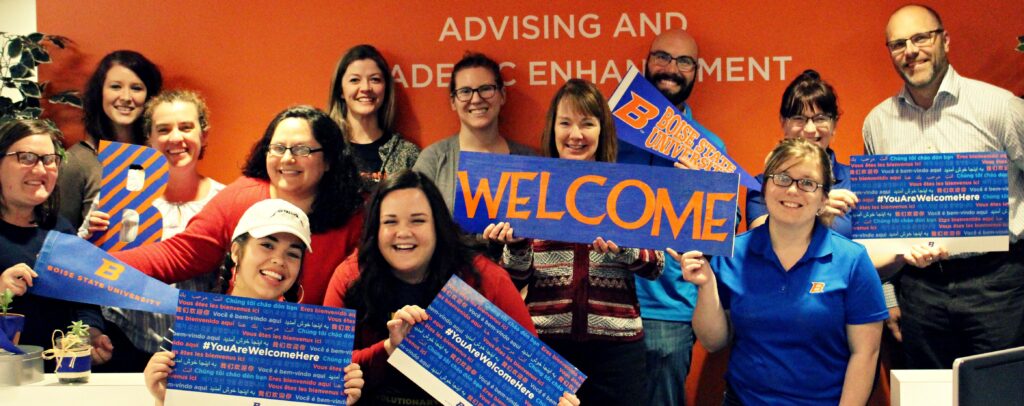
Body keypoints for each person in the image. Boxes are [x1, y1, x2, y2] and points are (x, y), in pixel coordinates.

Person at [322, 170, 579, 406]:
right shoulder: (351, 276)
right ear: (375, 231)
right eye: (390, 222)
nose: (403, 232)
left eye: (417, 221)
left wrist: (553, 400)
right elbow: (326, 372)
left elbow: (533, 373)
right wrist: (390, 348)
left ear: (438, 226)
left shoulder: (484, 278)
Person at [862, 4, 1024, 369]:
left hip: (996, 286)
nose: (911, 51)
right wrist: (889, 296)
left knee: (1001, 392)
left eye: (921, 37)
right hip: (921, 292)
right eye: (899, 43)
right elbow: (883, 222)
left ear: (945, 41)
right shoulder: (877, 124)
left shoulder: (1001, 108)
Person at [485, 79, 663, 404]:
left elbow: (656, 265)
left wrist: (624, 246)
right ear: (552, 128)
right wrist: (518, 244)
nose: (575, 135)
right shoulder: (530, 188)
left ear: (602, 130)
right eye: (565, 123)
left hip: (618, 350)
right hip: (548, 344)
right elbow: (516, 279)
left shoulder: (629, 190)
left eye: (587, 124)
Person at [674, 138, 887, 405]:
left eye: (807, 183)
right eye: (782, 178)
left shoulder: (853, 260)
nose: (793, 190)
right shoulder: (733, 253)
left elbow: (865, 354)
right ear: (764, 189)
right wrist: (706, 285)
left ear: (823, 198)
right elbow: (714, 341)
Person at [113, 105, 365, 306]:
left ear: (329, 159)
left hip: (309, 348)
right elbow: (179, 254)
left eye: (302, 149)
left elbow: (351, 295)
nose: (287, 158)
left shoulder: (353, 215)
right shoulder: (241, 197)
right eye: (277, 148)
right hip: (238, 340)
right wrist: (96, 266)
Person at [142, 199, 364, 405]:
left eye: (293, 254)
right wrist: (163, 398)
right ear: (237, 252)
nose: (279, 260)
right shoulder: (193, 326)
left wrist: (336, 398)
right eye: (267, 245)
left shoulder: (310, 340)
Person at [84, 90, 226, 372]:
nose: (176, 138)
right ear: (148, 138)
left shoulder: (224, 201)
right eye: (163, 129)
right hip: (122, 345)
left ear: (204, 135)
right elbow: (83, 272)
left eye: (186, 127)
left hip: (198, 353)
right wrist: (88, 241)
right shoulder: (117, 198)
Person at [624, 28, 729, 406]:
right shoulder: (609, 136)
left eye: (685, 61)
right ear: (646, 64)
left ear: (696, 73)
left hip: (668, 311)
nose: (672, 68)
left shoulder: (710, 149)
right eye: (663, 57)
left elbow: (720, 235)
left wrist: (696, 188)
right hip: (607, 304)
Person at [0, 119, 113, 371]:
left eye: (49, 159)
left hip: (57, 380)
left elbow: (83, 297)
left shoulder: (60, 229)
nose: (40, 170)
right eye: (26, 157)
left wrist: (91, 332)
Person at [413, 52, 533, 214]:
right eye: (465, 91)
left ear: (502, 95)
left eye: (486, 89)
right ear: (453, 102)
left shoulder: (529, 160)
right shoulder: (434, 159)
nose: (476, 99)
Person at [58, 50, 162, 229]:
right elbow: (62, 237)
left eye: (136, 88)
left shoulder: (158, 157)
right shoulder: (78, 161)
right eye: (115, 87)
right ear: (100, 93)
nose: (126, 97)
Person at [747, 69, 857, 235]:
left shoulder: (856, 181)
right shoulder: (760, 185)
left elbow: (874, 245)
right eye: (799, 119)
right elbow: (761, 238)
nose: (810, 129)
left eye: (820, 119)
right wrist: (816, 207)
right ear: (783, 122)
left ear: (834, 124)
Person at [327, 44, 419, 183]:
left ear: (386, 89)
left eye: (375, 79)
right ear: (340, 90)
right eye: (354, 80)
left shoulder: (407, 153)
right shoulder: (326, 150)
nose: (365, 88)